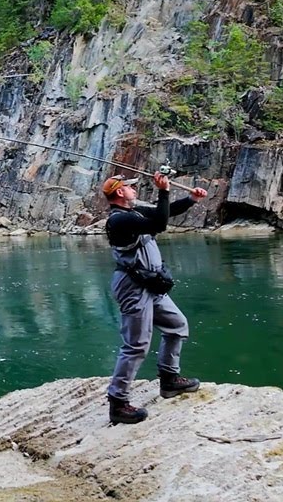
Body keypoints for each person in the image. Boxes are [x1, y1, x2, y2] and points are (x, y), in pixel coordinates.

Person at [102, 171, 209, 424]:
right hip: (133, 287)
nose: (135, 191)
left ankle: (170, 380)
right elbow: (160, 223)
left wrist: (191, 200)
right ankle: (118, 403)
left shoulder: (135, 213)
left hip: (150, 284)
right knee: (136, 345)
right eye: (130, 188)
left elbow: (165, 212)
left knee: (177, 326)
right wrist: (163, 189)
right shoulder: (119, 220)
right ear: (120, 192)